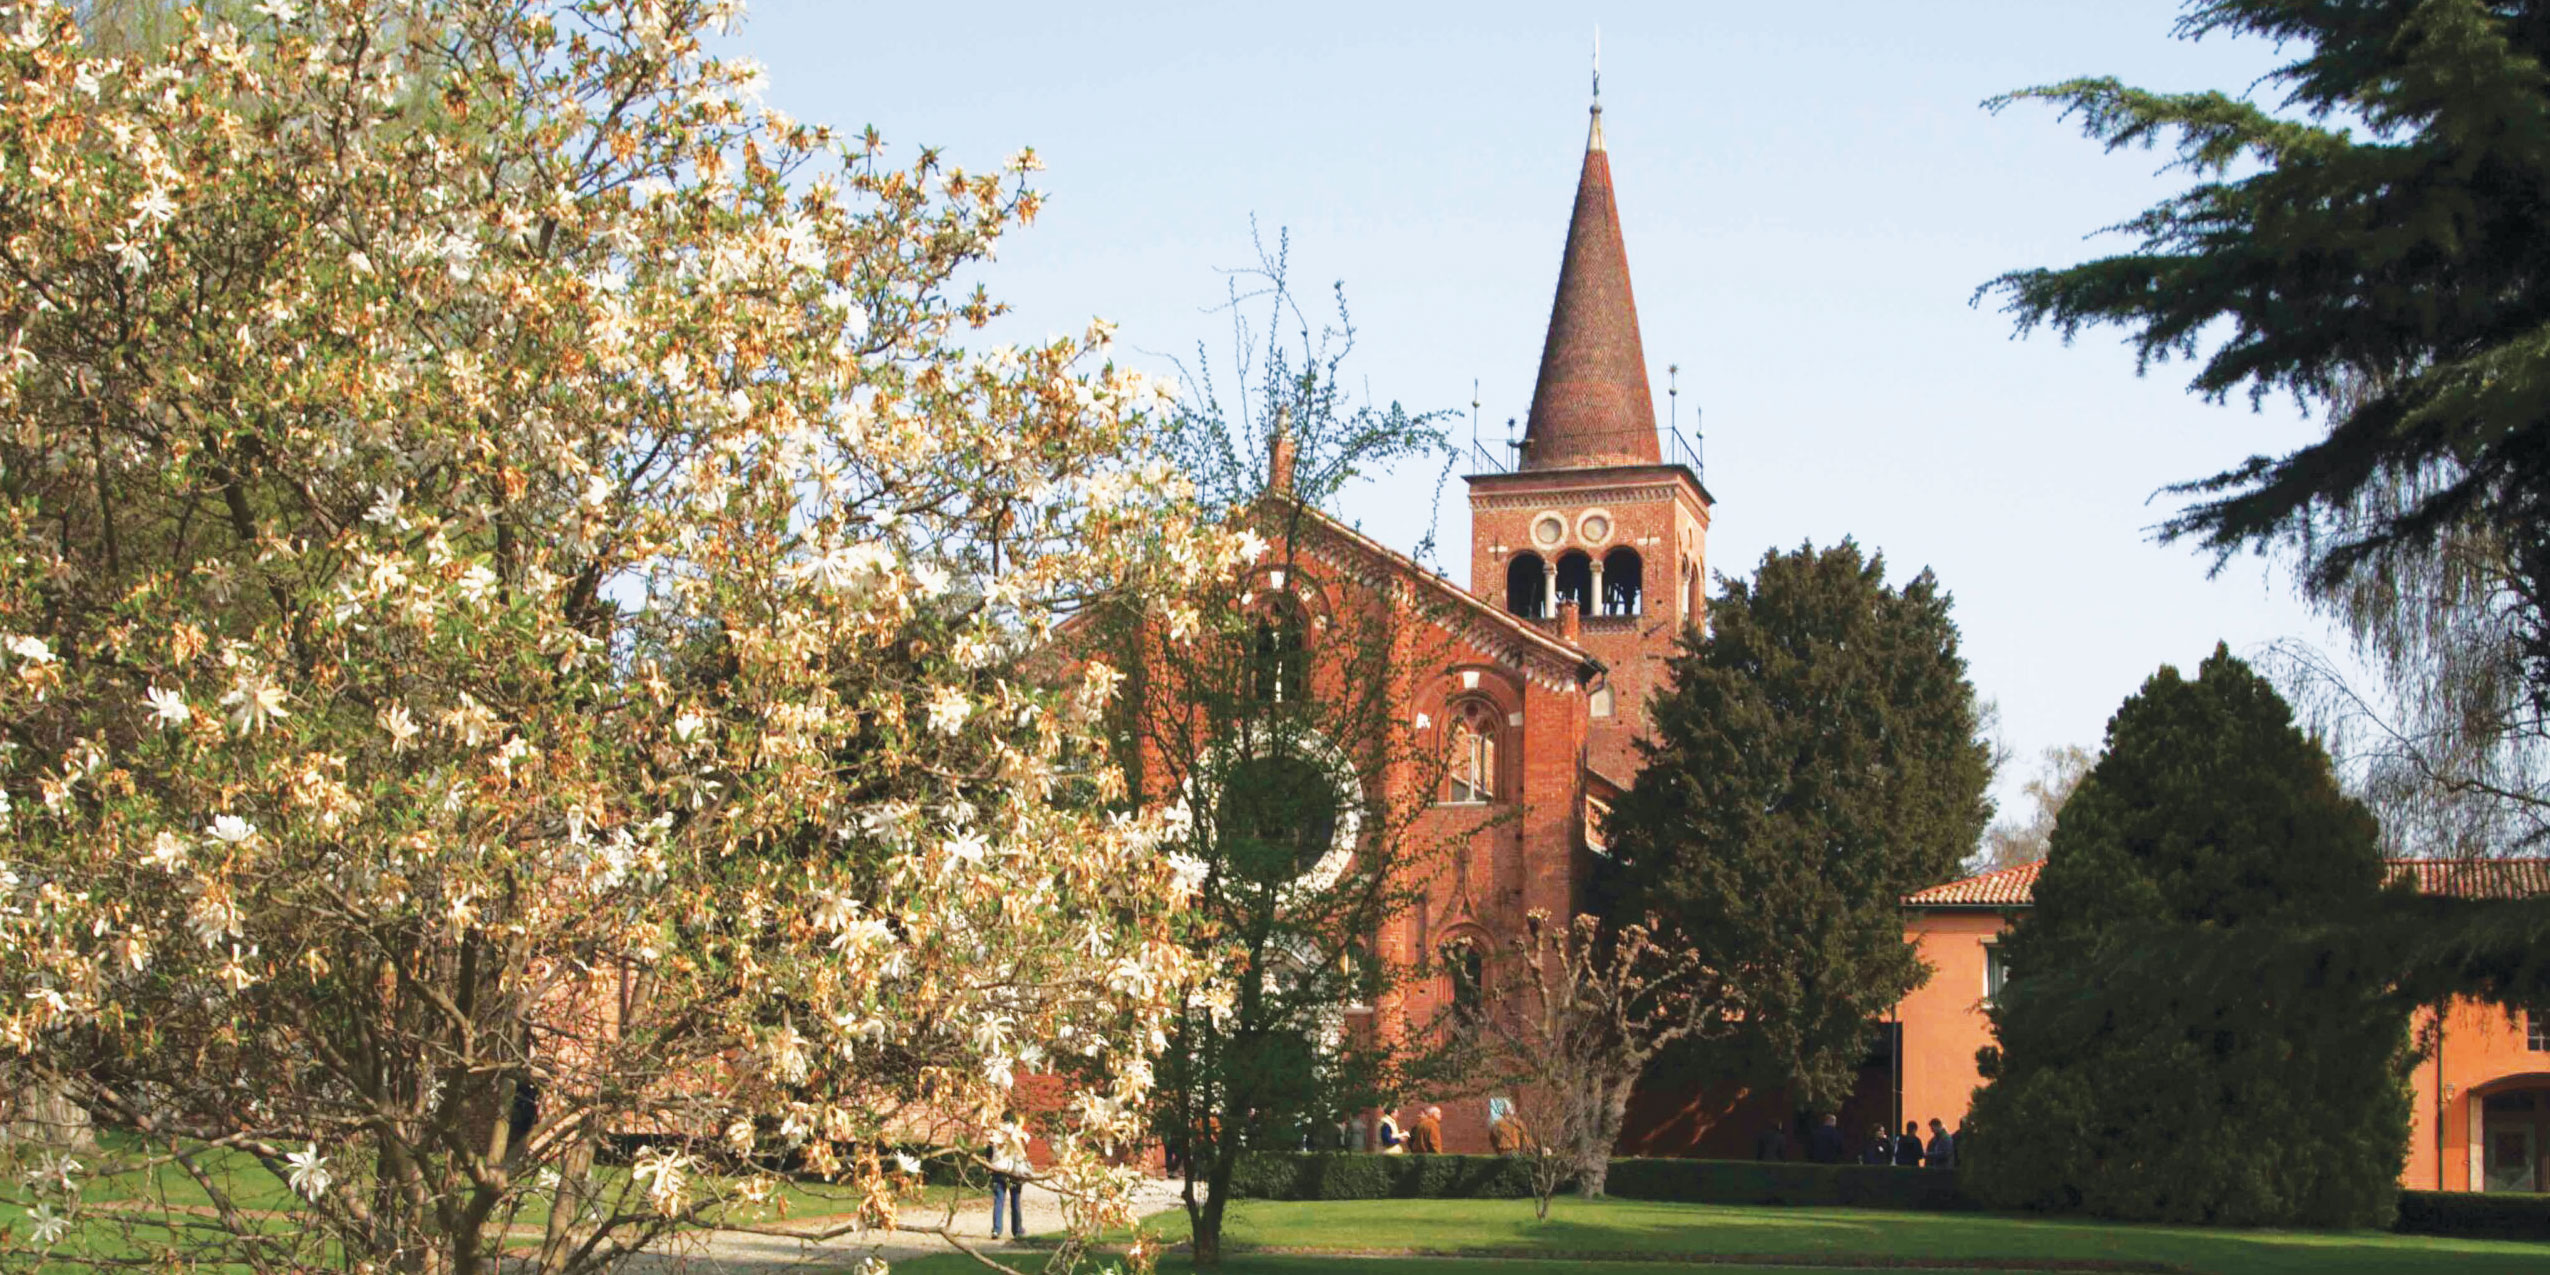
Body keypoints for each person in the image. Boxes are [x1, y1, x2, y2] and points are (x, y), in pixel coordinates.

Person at [988, 1110, 1031, 1240]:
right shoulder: (1020, 1135)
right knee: (1015, 1201)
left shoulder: (995, 1134)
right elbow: (1024, 1152)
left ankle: (997, 1229)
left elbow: (989, 1153)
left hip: (998, 1170)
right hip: (1013, 1172)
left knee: (999, 1200)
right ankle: (1017, 1230)